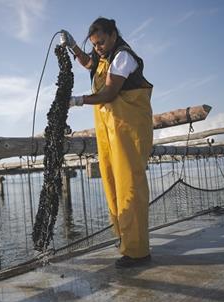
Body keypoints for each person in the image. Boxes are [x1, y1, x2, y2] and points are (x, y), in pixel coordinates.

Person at [60, 17, 153, 268]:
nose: (98, 47)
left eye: (101, 42)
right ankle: (125, 242)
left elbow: (110, 93)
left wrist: (77, 100)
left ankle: (138, 251)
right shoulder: (102, 58)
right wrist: (73, 47)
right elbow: (89, 63)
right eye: (94, 43)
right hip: (109, 130)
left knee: (130, 186)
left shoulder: (123, 57)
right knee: (112, 183)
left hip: (129, 128)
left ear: (113, 35)